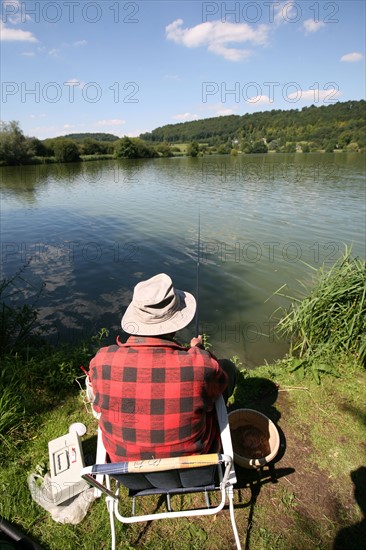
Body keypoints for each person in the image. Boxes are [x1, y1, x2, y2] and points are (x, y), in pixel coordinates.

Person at [88, 273, 237, 462]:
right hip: (194, 465)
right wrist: (198, 350)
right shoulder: (200, 364)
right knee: (227, 368)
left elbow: (96, 393)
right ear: (175, 323)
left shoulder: (102, 361)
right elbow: (221, 382)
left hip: (127, 470)